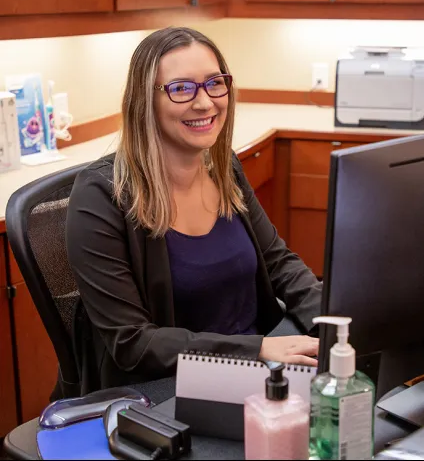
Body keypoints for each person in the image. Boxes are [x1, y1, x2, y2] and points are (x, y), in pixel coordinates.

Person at [66, 27, 322, 391]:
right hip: (167, 389)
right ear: (145, 101)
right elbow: (133, 344)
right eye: (181, 88)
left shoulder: (224, 168)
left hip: (255, 368)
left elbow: (278, 262)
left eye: (214, 83)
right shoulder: (102, 196)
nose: (205, 102)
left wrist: (330, 323)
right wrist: (258, 349)